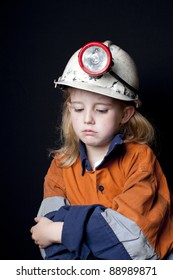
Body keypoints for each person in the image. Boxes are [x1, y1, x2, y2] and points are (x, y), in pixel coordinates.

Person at [30, 40, 173, 260]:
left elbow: (132, 244)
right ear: (69, 108)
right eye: (78, 108)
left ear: (125, 114)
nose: (87, 119)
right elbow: (50, 247)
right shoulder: (60, 166)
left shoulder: (140, 160)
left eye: (102, 110)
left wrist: (61, 231)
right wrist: (100, 226)